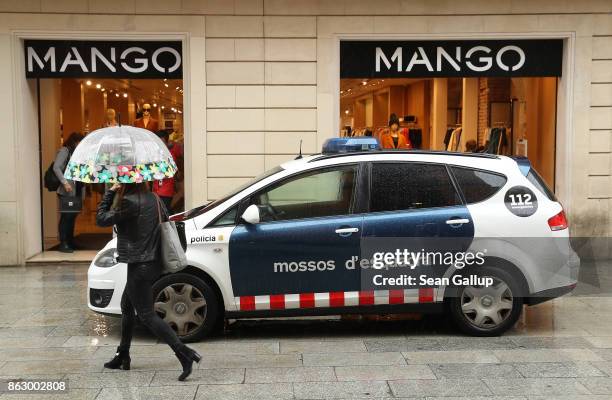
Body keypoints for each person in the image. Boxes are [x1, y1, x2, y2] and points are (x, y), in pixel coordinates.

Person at [96, 182, 201, 381]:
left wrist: (110, 193)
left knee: (146, 315)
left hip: (140, 264)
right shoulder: (155, 198)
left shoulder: (128, 201)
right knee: (127, 306)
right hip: (152, 262)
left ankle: (185, 354)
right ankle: (123, 355)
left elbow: (101, 219)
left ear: (126, 183)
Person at [53, 132, 84, 253]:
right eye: (79, 142)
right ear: (74, 141)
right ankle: (63, 242)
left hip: (76, 190)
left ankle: (70, 241)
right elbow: (56, 167)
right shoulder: (65, 151)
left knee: (72, 216)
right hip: (67, 190)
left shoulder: (76, 153)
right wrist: (65, 182)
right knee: (66, 216)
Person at [152, 130, 179, 212]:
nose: (160, 145)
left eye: (162, 142)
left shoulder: (170, 155)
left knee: (163, 214)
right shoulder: (156, 155)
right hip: (156, 191)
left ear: (166, 142)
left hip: (165, 192)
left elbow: (166, 173)